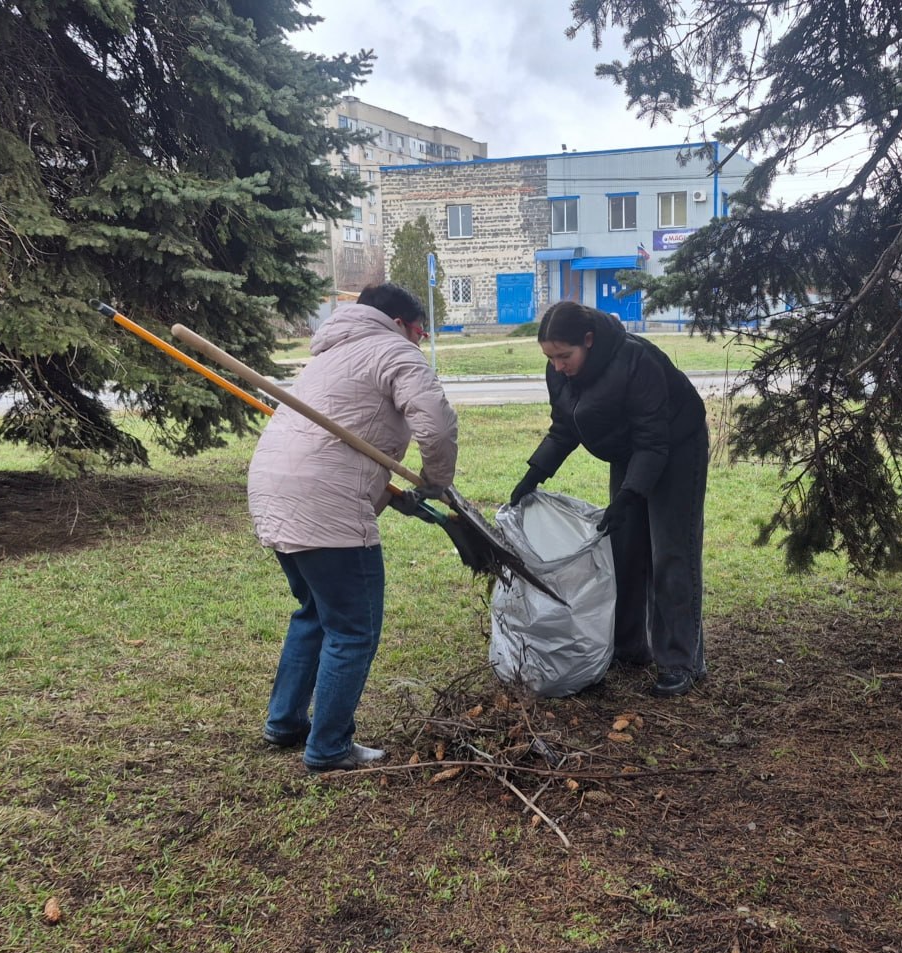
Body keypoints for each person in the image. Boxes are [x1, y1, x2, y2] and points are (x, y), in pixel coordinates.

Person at [248, 283, 458, 771]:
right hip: (325, 501)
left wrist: (401, 495)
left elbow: (343, 437)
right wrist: (436, 482)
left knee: (316, 613)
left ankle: (285, 723)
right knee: (352, 629)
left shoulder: (328, 354)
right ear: (402, 324)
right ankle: (329, 747)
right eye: (419, 331)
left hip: (274, 490)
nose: (420, 339)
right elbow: (437, 425)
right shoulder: (393, 351)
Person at [508, 301, 709, 697]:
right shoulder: (560, 372)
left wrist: (631, 494)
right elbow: (564, 426)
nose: (557, 366)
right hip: (629, 450)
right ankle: (630, 647)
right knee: (624, 547)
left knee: (670, 551)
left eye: (564, 356)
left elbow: (654, 441)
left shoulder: (638, 360)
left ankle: (681, 662)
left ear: (589, 340)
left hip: (676, 446)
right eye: (550, 358)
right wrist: (535, 473)